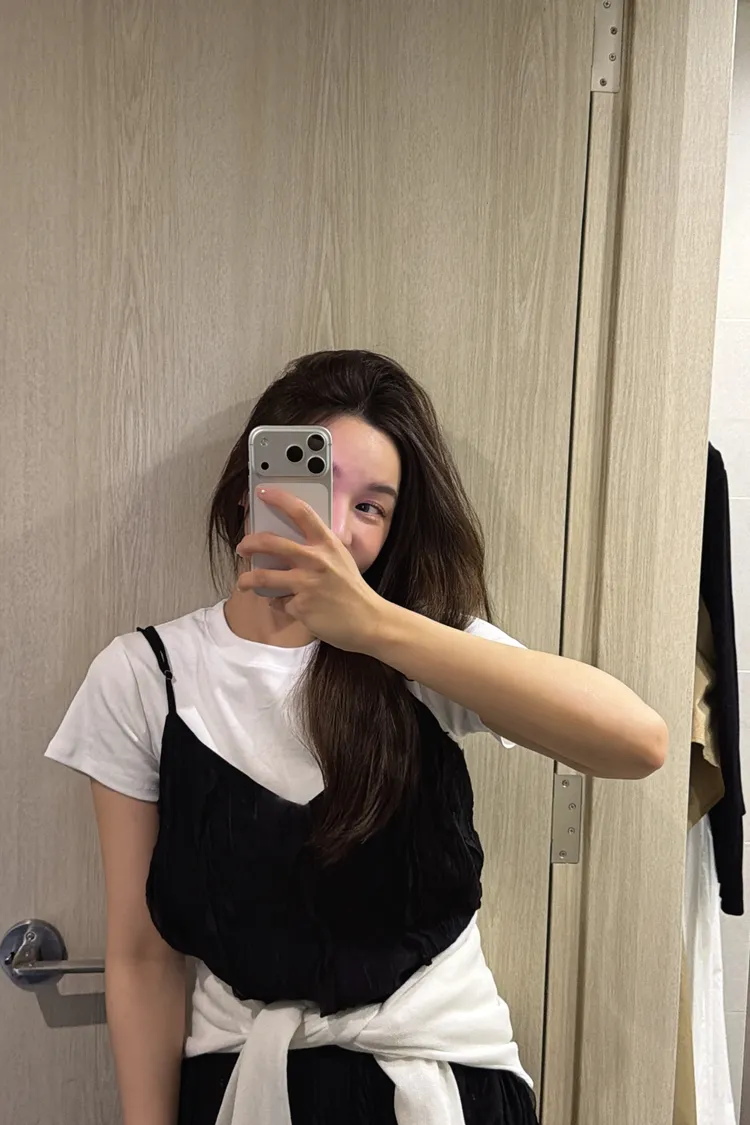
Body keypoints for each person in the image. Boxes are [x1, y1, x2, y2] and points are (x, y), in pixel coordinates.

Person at [46, 350, 668, 1125]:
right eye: (315, 483)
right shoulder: (146, 675)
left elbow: (637, 743)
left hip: (439, 1084)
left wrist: (374, 625)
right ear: (247, 487)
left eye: (371, 507)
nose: (335, 527)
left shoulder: (421, 650)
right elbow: (144, 956)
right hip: (241, 1086)